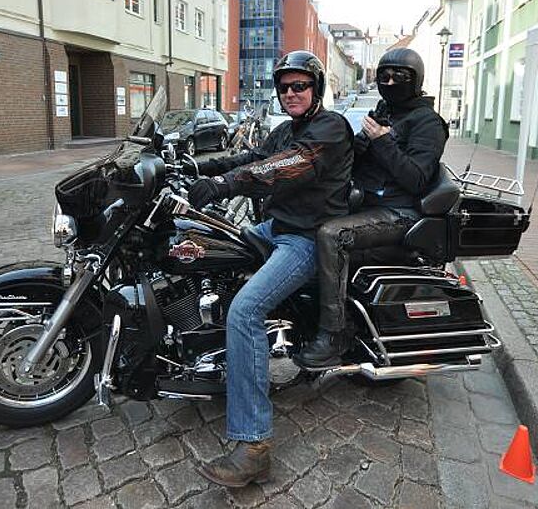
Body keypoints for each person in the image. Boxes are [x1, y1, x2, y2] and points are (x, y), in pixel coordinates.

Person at [186, 50, 353, 487]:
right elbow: (250, 157)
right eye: (284, 87)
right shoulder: (284, 130)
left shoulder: (331, 128)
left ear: (316, 88)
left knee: (245, 311)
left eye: (300, 85)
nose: (290, 93)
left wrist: (222, 185)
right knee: (206, 248)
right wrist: (197, 166)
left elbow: (284, 165)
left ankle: (254, 446)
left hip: (305, 239)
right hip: (274, 228)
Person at [292, 47, 449, 370]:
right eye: (383, 76)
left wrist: (382, 141)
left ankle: (333, 335)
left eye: (398, 77)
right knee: (307, 217)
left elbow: (416, 179)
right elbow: (358, 161)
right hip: (368, 204)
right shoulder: (384, 112)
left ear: (415, 80)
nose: (389, 83)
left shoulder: (428, 122)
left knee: (332, 235)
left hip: (402, 213)